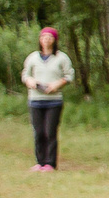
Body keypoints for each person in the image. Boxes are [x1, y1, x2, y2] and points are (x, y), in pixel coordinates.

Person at [21, 27, 73, 172]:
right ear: (40, 39)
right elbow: (25, 74)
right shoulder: (33, 57)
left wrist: (57, 84)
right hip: (35, 100)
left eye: (50, 37)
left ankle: (50, 163)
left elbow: (69, 76)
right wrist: (29, 81)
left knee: (50, 132)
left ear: (54, 40)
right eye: (44, 37)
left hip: (54, 101)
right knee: (38, 132)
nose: (46, 40)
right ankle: (40, 162)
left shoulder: (61, 58)